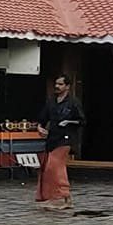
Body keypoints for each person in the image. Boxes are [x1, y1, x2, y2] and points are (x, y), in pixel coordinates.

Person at [36, 74, 82, 212]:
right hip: (53, 138)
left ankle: (62, 196)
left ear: (67, 86)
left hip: (66, 138)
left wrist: (68, 121)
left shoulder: (73, 103)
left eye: (61, 84)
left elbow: (81, 121)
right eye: (56, 83)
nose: (57, 86)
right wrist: (39, 127)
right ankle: (55, 197)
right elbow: (43, 118)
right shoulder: (51, 102)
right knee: (47, 168)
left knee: (55, 166)